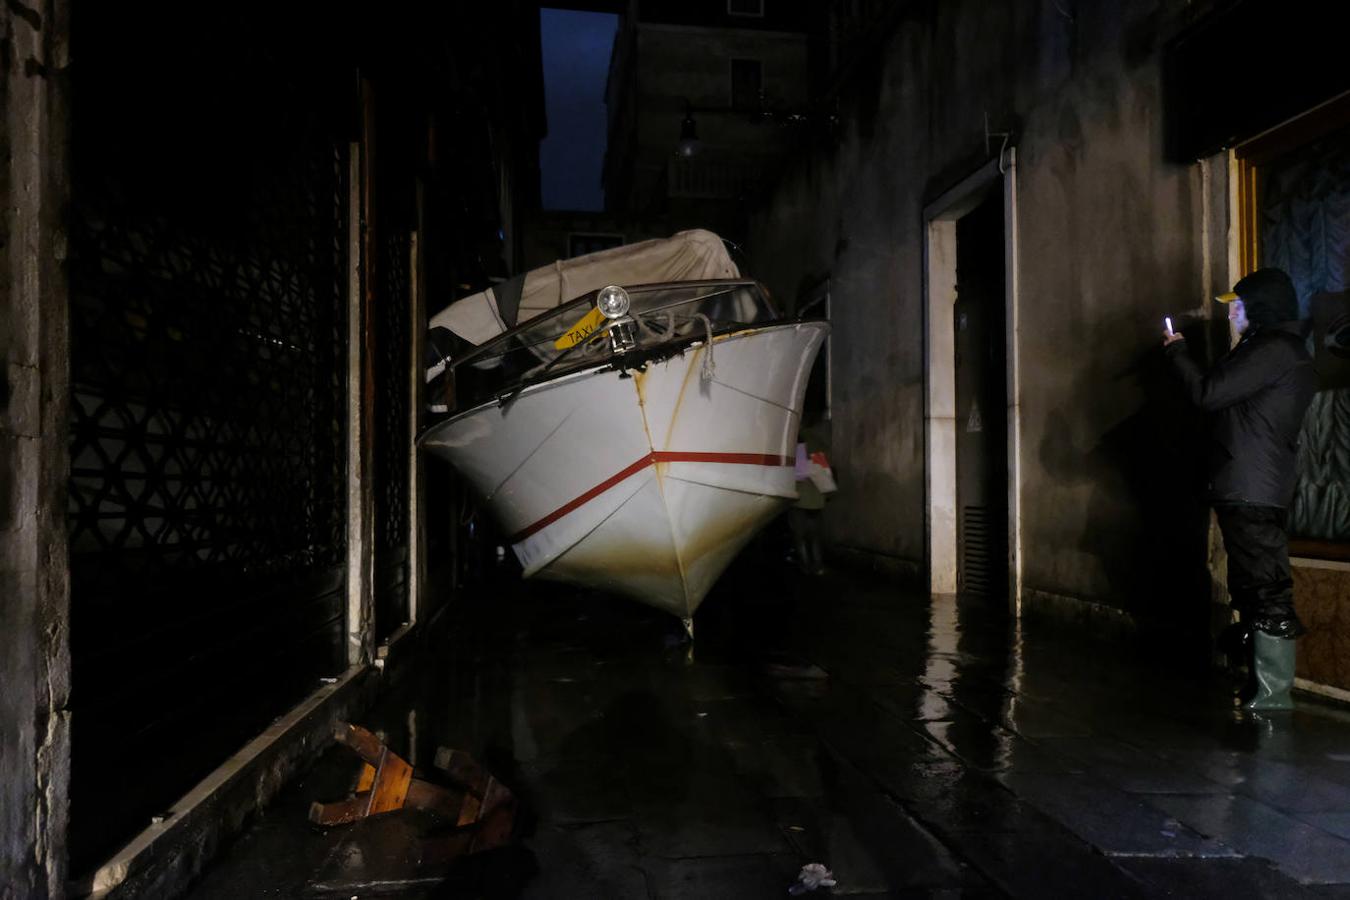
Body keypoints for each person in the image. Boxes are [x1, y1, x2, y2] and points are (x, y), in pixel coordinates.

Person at [1163, 267, 1316, 710]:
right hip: (1249, 483)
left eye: (1240, 307)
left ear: (1261, 308)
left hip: (1253, 486)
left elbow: (1209, 393)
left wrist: (1177, 353)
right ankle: (1258, 686)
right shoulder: (1273, 350)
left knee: (1265, 586)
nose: (1233, 316)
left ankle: (1272, 697)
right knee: (1252, 584)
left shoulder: (1273, 350)